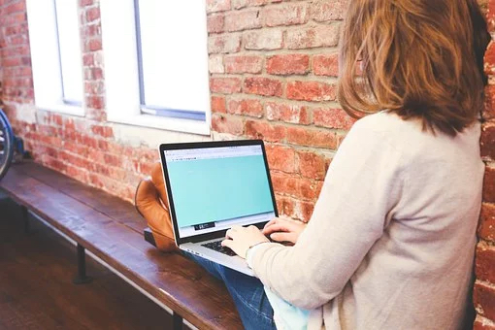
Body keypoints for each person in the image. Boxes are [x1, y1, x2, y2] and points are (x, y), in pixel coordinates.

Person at [135, 1, 491, 329]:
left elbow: (305, 287)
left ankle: (172, 232)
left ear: (385, 45)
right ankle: (181, 232)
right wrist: (313, 240)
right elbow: (405, 249)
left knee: (236, 263)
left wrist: (255, 247)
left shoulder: (384, 137)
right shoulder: (470, 134)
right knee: (246, 245)